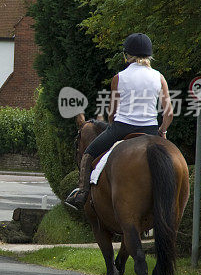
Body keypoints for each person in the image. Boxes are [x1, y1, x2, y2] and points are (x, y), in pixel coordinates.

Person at [65, 33, 174, 211]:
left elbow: (112, 112)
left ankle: (82, 194)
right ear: (149, 55)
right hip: (151, 130)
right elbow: (168, 113)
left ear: (127, 55)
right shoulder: (159, 77)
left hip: (122, 128)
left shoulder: (119, 77)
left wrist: (112, 125)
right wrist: (162, 131)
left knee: (89, 153)